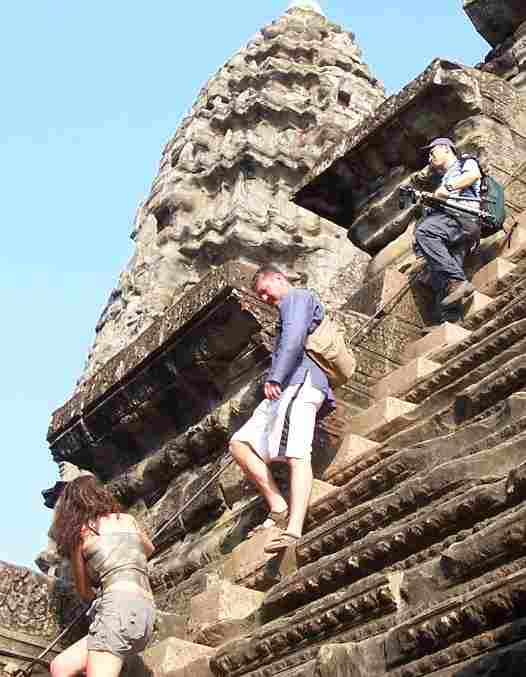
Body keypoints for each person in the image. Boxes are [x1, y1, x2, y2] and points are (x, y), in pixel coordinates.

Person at [229, 265, 335, 554]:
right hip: (284, 389)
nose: (264, 297)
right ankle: (278, 505)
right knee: (239, 443)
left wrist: (275, 376)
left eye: (265, 290)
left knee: (296, 453)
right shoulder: (287, 305)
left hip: (300, 381)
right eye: (259, 294)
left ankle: (294, 529)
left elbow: (294, 337)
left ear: (279, 278)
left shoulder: (297, 297)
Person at [50, 476, 156, 677]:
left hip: (116, 609)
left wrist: (100, 588)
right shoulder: (127, 519)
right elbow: (148, 549)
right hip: (145, 610)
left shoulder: (80, 535)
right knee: (60, 667)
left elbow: (84, 592)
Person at [414, 137, 482, 327]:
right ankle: (451, 321)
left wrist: (448, 188)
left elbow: (473, 175)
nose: (429, 157)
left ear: (445, 148)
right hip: (452, 225)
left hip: (463, 218)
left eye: (432, 152)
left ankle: (458, 281)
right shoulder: (443, 178)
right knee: (443, 267)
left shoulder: (465, 162)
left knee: (425, 232)